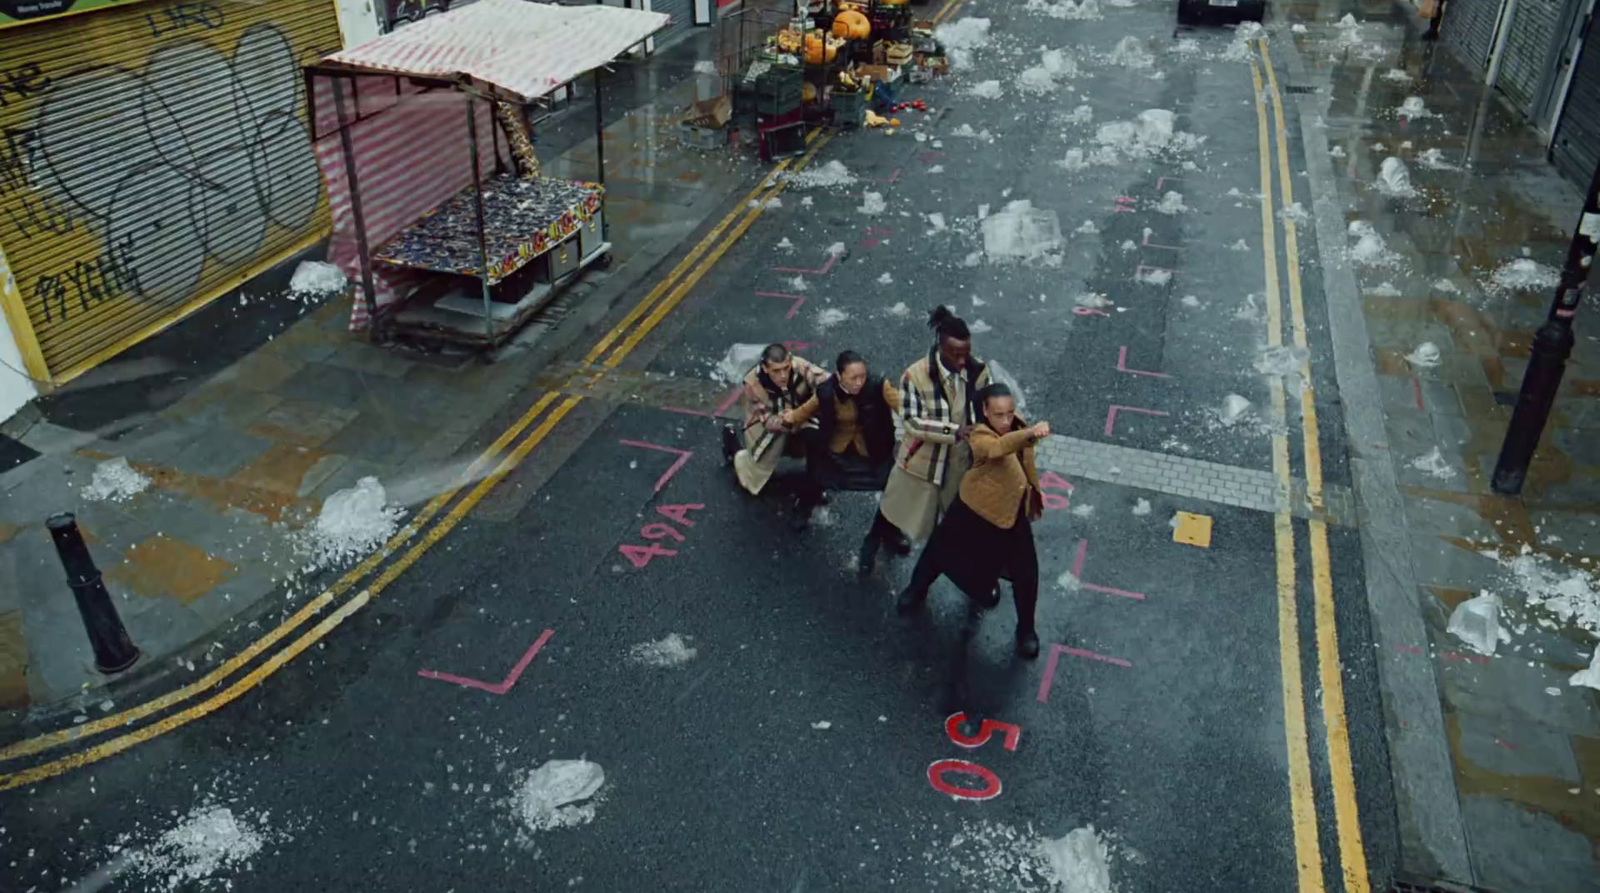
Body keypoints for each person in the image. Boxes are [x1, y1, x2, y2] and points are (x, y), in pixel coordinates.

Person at [895, 383, 1050, 659]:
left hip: (1011, 515)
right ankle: (915, 590)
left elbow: (1024, 464)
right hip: (973, 509)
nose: (1006, 420)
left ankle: (1026, 630)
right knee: (939, 551)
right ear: (985, 412)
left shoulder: (1017, 426)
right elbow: (998, 449)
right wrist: (1028, 434)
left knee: (1026, 573)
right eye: (999, 414)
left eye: (1010, 413)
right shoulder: (980, 435)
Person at [782, 350, 914, 574]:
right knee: (816, 476)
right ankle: (804, 507)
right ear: (839, 375)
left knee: (892, 485)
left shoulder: (877, 385)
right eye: (853, 377)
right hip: (836, 449)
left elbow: (902, 405)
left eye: (862, 376)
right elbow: (806, 410)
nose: (859, 382)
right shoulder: (826, 391)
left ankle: (889, 529)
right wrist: (787, 418)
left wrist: (923, 420)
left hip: (872, 449)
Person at [879, 306, 993, 544]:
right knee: (904, 509)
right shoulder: (915, 376)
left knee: (953, 520)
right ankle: (878, 538)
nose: (962, 361)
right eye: (955, 354)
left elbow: (987, 407)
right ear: (940, 347)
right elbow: (911, 422)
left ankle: (933, 566)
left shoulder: (978, 370)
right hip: (925, 460)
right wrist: (954, 431)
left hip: (960, 461)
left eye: (966, 353)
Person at [723, 344, 829, 498]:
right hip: (770, 429)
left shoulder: (800, 366)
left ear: (790, 361)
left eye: (786, 368)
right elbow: (768, 422)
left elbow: (828, 383)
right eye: (776, 371)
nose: (783, 375)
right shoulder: (753, 383)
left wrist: (802, 413)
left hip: (800, 416)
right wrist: (791, 419)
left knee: (817, 435)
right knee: (753, 477)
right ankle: (733, 447)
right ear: (765, 369)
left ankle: (815, 485)